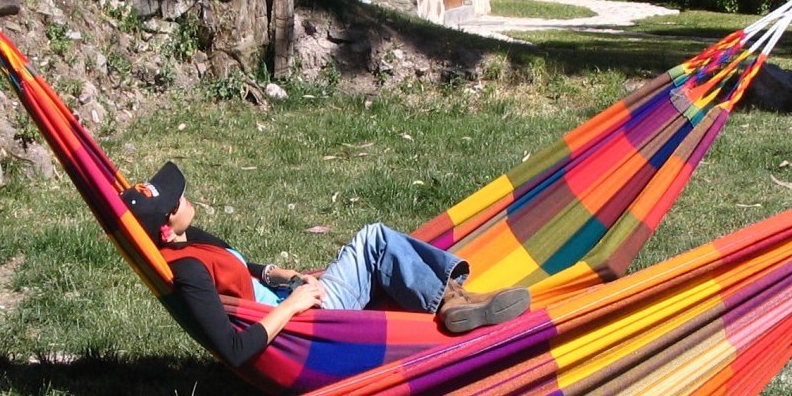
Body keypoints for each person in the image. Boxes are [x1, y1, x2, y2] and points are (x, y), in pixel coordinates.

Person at [121, 161, 530, 368]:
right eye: (177, 201)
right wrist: (293, 304)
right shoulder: (189, 272)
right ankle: (451, 302)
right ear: (164, 230)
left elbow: (240, 265)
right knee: (374, 240)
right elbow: (233, 350)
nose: (186, 196)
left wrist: (275, 274)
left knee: (378, 255)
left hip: (293, 296)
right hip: (305, 324)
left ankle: (447, 298)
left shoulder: (190, 240)